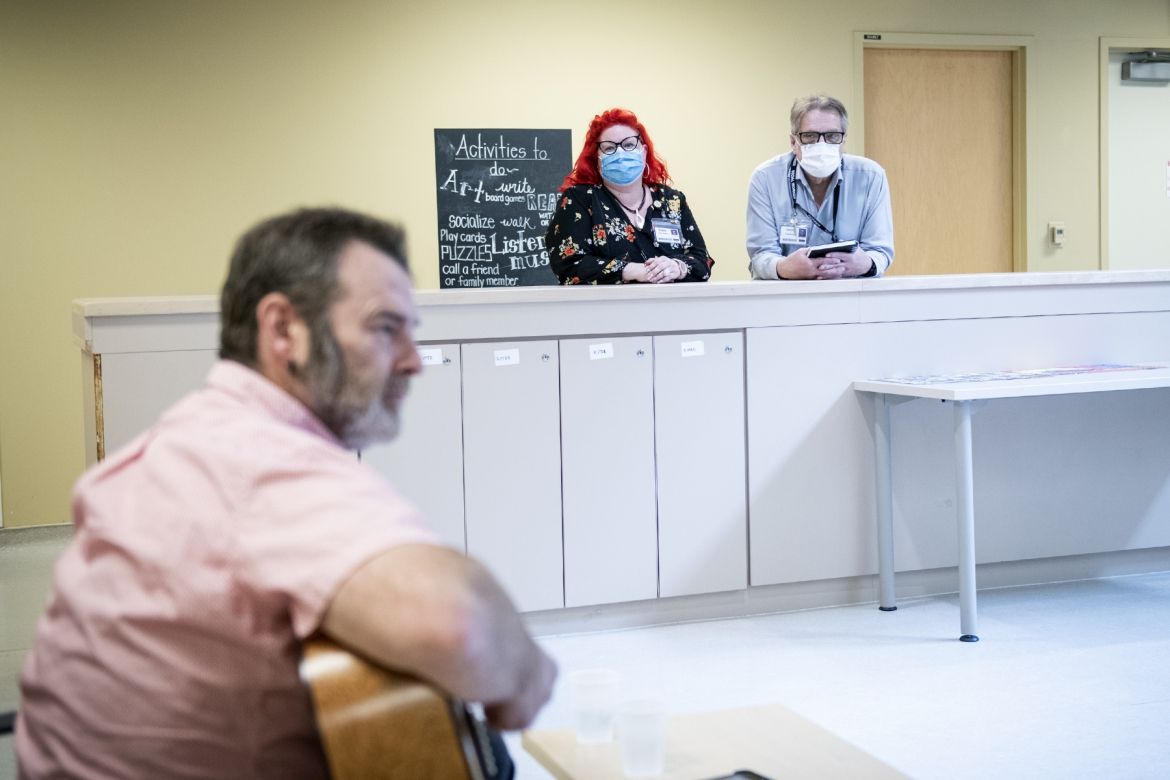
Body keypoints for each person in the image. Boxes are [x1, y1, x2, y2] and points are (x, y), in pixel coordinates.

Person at [16, 208, 556, 778]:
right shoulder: (259, 463)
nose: (413, 361)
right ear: (282, 330)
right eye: (384, 328)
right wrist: (524, 667)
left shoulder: (186, 437)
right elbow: (459, 627)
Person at [545, 107, 713, 285]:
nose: (620, 153)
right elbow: (569, 266)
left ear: (644, 151)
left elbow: (702, 261)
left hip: (671, 309)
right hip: (604, 311)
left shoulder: (672, 201)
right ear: (597, 159)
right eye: (609, 148)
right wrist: (631, 270)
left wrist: (677, 267)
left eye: (629, 145)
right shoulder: (579, 199)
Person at [746, 94, 894, 280]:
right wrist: (783, 267)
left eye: (832, 136)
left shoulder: (871, 176)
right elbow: (760, 255)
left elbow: (880, 251)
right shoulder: (766, 178)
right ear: (793, 142)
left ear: (843, 140)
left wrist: (865, 264)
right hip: (787, 297)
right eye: (810, 136)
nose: (822, 145)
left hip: (853, 296)